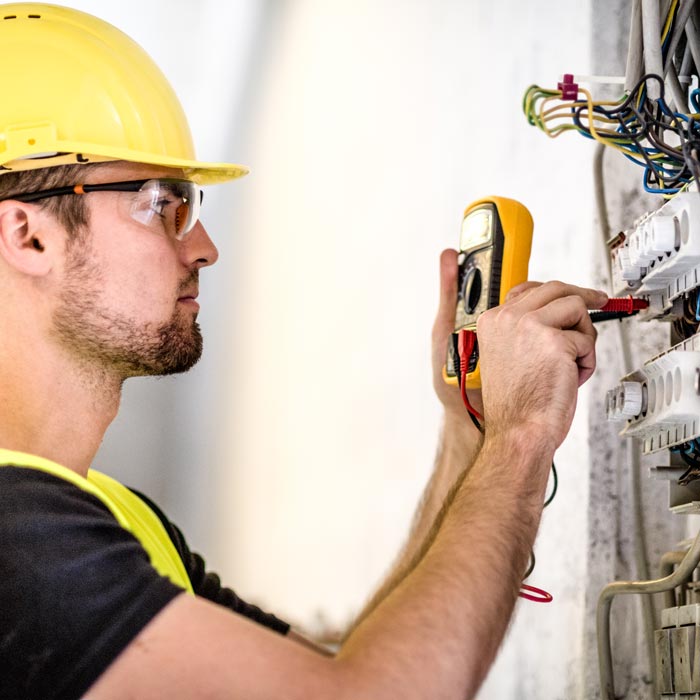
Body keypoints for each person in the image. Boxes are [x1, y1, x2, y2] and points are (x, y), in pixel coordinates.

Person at [0, 4, 608, 699]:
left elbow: (348, 672)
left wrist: (469, 428)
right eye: (163, 202)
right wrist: (523, 434)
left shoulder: (110, 518)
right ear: (29, 236)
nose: (203, 247)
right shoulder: (17, 539)